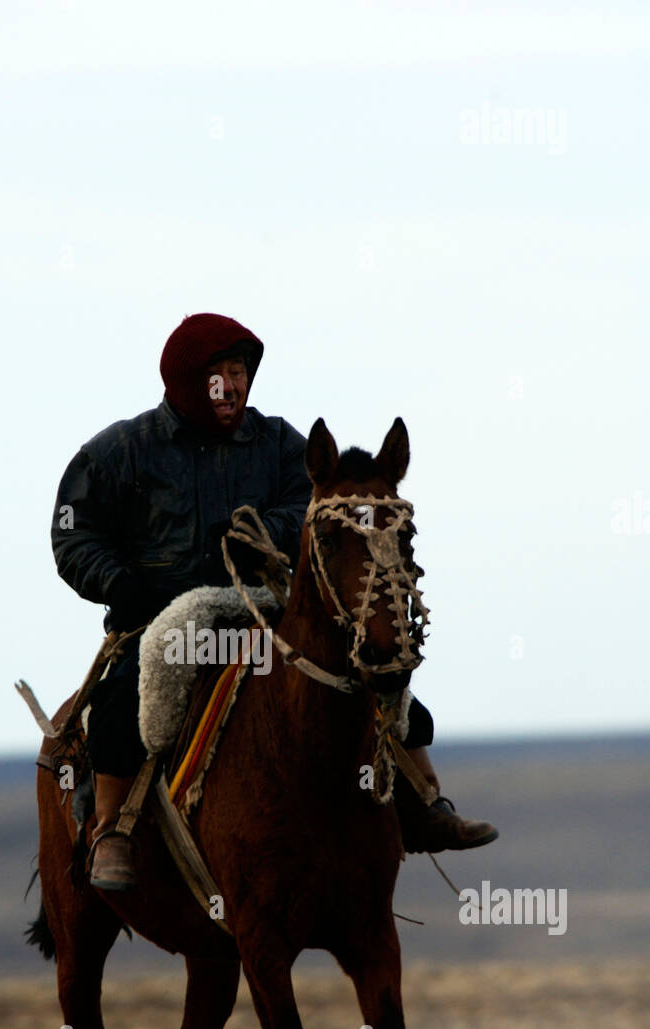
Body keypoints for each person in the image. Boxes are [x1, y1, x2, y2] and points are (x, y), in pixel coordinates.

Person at [52, 313, 497, 890]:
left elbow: (313, 505)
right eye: (217, 375)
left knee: (374, 669)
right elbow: (73, 531)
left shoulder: (280, 444)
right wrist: (118, 583)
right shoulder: (121, 451)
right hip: (160, 616)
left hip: (264, 609)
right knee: (120, 704)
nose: (232, 386)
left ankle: (423, 804)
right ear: (186, 381)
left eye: (238, 373)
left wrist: (263, 528)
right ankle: (112, 829)